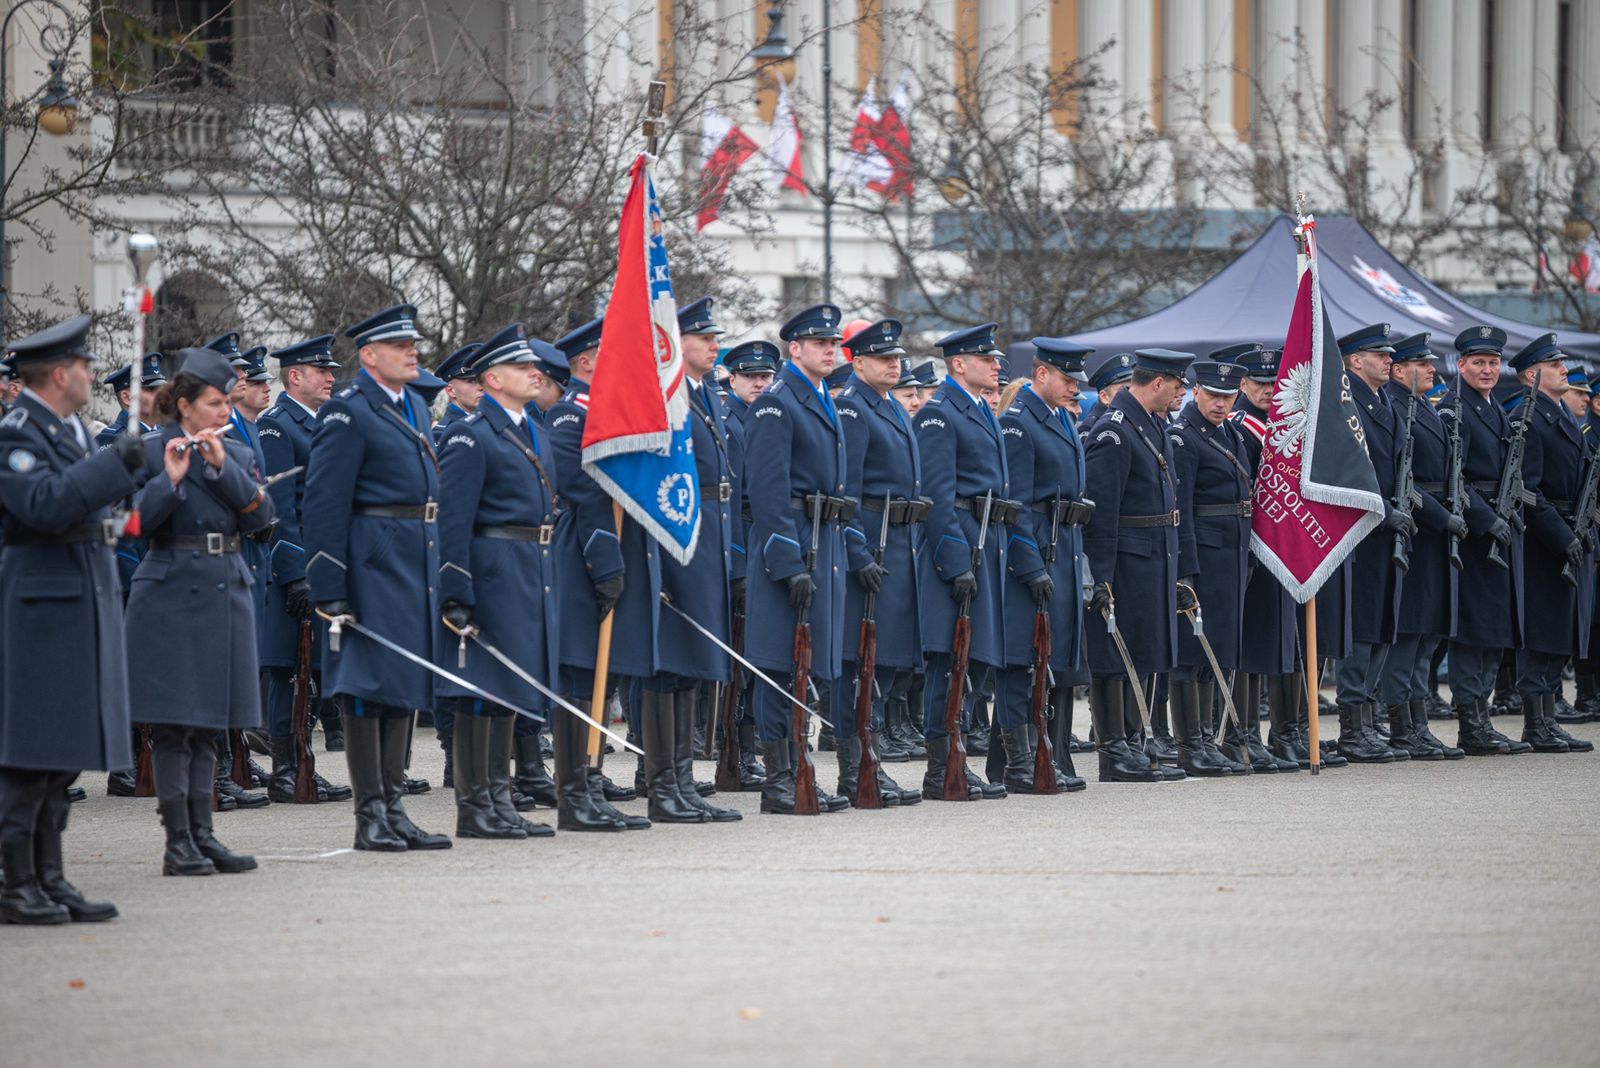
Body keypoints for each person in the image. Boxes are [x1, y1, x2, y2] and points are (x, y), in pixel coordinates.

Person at [0, 315, 147, 923]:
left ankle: (50, 876)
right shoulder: (16, 434)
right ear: (60, 375)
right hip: (41, 606)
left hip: (82, 595)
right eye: (84, 366)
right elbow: (42, 505)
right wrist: (113, 465)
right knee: (32, 749)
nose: (92, 373)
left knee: (64, 751)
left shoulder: (73, 430)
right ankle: (16, 883)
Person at [303, 303, 452, 852]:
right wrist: (330, 587)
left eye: (413, 345)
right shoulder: (349, 411)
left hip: (413, 562)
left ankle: (394, 807)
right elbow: (323, 503)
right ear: (369, 356)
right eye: (400, 346)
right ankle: (370, 815)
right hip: (371, 565)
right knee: (367, 686)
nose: (413, 353)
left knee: (403, 684)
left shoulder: (412, 406)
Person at [126, 348, 276, 875]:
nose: (224, 412)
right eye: (215, 403)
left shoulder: (233, 450)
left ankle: (204, 834)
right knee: (175, 725)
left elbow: (262, 516)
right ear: (185, 404)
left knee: (210, 721)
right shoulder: (151, 450)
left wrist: (220, 468)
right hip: (169, 591)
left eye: (227, 402)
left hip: (224, 588)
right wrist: (168, 481)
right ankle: (179, 841)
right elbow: (130, 526)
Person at [435, 323, 560, 840]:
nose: (535, 373)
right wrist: (456, 590)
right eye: (521, 367)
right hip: (491, 569)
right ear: (492, 378)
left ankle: (500, 799)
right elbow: (452, 520)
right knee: (480, 690)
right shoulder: (471, 433)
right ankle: (475, 805)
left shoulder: (532, 428)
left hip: (529, 567)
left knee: (510, 687)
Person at [623, 297, 742, 824]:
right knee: (667, 665)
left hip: (708, 535)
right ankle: (660, 783)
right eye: (704, 337)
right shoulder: (663, 394)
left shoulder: (705, 392)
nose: (714, 346)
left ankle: (683, 780)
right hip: (677, 540)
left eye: (715, 338)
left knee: (692, 665)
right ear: (675, 343)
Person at [742, 304, 852, 814]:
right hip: (791, 544)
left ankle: (799, 766)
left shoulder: (821, 396)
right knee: (780, 663)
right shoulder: (777, 402)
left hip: (822, 540)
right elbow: (767, 490)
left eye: (834, 343)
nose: (830, 351)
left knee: (808, 664)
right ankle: (779, 779)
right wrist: (787, 563)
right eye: (820, 343)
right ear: (795, 348)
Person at [545, 316, 646, 832]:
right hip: (581, 548)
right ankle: (573, 792)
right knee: (579, 672)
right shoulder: (570, 413)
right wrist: (605, 560)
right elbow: (581, 491)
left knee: (599, 676)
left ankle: (590, 783)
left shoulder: (606, 409)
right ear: (586, 361)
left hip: (607, 544)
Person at [913, 322, 1016, 801]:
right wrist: (955, 563)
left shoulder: (976, 407)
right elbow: (937, 496)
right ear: (958, 364)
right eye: (986, 359)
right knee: (950, 661)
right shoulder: (940, 413)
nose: (996, 366)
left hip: (985, 540)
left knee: (975, 661)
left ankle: (957, 758)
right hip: (960, 544)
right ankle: (942, 767)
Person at [1081, 348, 1192, 783]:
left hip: (1154, 554)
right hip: (1126, 559)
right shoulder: (1114, 430)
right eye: (1177, 384)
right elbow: (1101, 510)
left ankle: (1134, 739)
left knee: (1145, 649)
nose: (1180, 392)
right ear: (1158, 383)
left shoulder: (1151, 424)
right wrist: (1101, 576)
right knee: (1116, 654)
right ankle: (1114, 750)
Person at [832, 318, 924, 806]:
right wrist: (855, 550)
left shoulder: (888, 405)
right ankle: (855, 768)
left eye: (896, 358)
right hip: (870, 543)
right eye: (883, 358)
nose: (894, 364)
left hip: (899, 545)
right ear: (858, 363)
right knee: (858, 665)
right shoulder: (853, 408)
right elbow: (844, 489)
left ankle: (871, 759)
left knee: (885, 663)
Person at [257, 335, 352, 802]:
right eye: (322, 371)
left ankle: (302, 760)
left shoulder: (322, 423)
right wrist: (294, 572)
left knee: (313, 668)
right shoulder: (277, 427)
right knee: (287, 668)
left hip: (324, 564)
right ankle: (284, 767)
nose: (331, 378)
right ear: (295, 376)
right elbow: (279, 508)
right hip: (293, 568)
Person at [997, 337, 1093, 792]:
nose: (1075, 387)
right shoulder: (1019, 422)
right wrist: (1029, 564)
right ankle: (1020, 761)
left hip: (1064, 546)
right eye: (1067, 379)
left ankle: (1046, 753)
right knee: (1024, 659)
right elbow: (1014, 505)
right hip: (1037, 548)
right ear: (1041, 374)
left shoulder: (1060, 418)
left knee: (1052, 658)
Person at [1444, 326, 1533, 755]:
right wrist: (1484, 519)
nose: (1487, 370)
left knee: (1495, 630)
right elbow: (1454, 476)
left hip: (1502, 526)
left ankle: (1483, 718)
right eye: (1478, 362)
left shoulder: (1492, 406)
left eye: (1494, 363)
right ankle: (1470, 723)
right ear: (1461, 365)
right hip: (1476, 536)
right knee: (1474, 632)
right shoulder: (1455, 409)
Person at [1167, 358, 1257, 777]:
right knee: (1193, 651)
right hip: (1203, 555)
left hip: (1231, 553)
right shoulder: (1184, 437)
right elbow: (1181, 508)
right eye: (1214, 396)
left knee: (1215, 650)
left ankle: (1206, 738)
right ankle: (1190, 745)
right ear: (1196, 392)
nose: (1221, 404)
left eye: (1228, 396)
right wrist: (1185, 569)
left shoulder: (1232, 433)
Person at [1379, 334, 1465, 760]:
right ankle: (1402, 725)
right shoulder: (1397, 407)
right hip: (1415, 529)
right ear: (1398, 370)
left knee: (1427, 635)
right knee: (1409, 634)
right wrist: (1441, 516)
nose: (1432, 369)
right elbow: (1406, 479)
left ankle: (1418, 723)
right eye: (1422, 363)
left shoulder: (1422, 406)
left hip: (1434, 534)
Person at [1508, 333, 1595, 753]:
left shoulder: (1561, 416)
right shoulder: (1528, 419)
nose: (1564, 369)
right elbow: (1529, 490)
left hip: (1571, 532)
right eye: (1554, 364)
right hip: (1544, 542)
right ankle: (1535, 723)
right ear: (1531, 375)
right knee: (1541, 635)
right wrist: (1562, 536)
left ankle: (1548, 720)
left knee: (1562, 633)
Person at [1333, 324, 1409, 763]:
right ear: (1356, 361)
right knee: (1361, 630)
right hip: (1362, 530)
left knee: (1383, 626)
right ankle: (1352, 726)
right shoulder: (1346, 405)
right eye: (1380, 355)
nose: (1388, 361)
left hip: (1390, 529)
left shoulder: (1387, 403)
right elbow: (1348, 469)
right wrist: (1383, 508)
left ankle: (1368, 718)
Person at [98, 352, 167, 799]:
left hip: (157, 568)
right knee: (124, 669)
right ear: (127, 397)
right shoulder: (113, 442)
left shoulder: (160, 440)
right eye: (152, 389)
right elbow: (116, 516)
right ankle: (122, 762)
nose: (161, 396)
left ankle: (148, 755)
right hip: (128, 570)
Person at [716, 339, 781, 789]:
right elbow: (734, 503)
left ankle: (747, 751)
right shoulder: (728, 421)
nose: (759, 384)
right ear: (732, 379)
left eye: (765, 376)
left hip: (759, 542)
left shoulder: (765, 418)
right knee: (738, 664)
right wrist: (738, 567)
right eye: (750, 376)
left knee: (756, 658)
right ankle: (734, 753)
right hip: (740, 543)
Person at [94, 353, 165, 449]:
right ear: (127, 398)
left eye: (161, 389)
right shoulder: (112, 439)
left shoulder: (166, 434)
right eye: (150, 389)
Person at [431, 344, 481, 446]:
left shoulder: (487, 424)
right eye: (472, 381)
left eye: (482, 380)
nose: (481, 387)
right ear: (451, 391)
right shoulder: (445, 434)